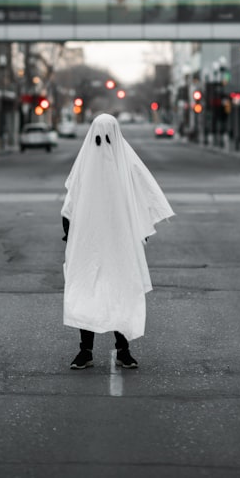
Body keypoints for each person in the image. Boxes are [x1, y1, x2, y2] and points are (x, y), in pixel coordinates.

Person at [60, 113, 174, 370]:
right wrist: (70, 235)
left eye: (106, 138)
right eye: (98, 138)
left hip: (119, 240)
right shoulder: (85, 165)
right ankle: (86, 351)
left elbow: (142, 197)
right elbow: (71, 204)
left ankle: (123, 350)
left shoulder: (125, 164)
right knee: (86, 290)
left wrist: (140, 230)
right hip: (89, 241)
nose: (102, 144)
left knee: (121, 289)